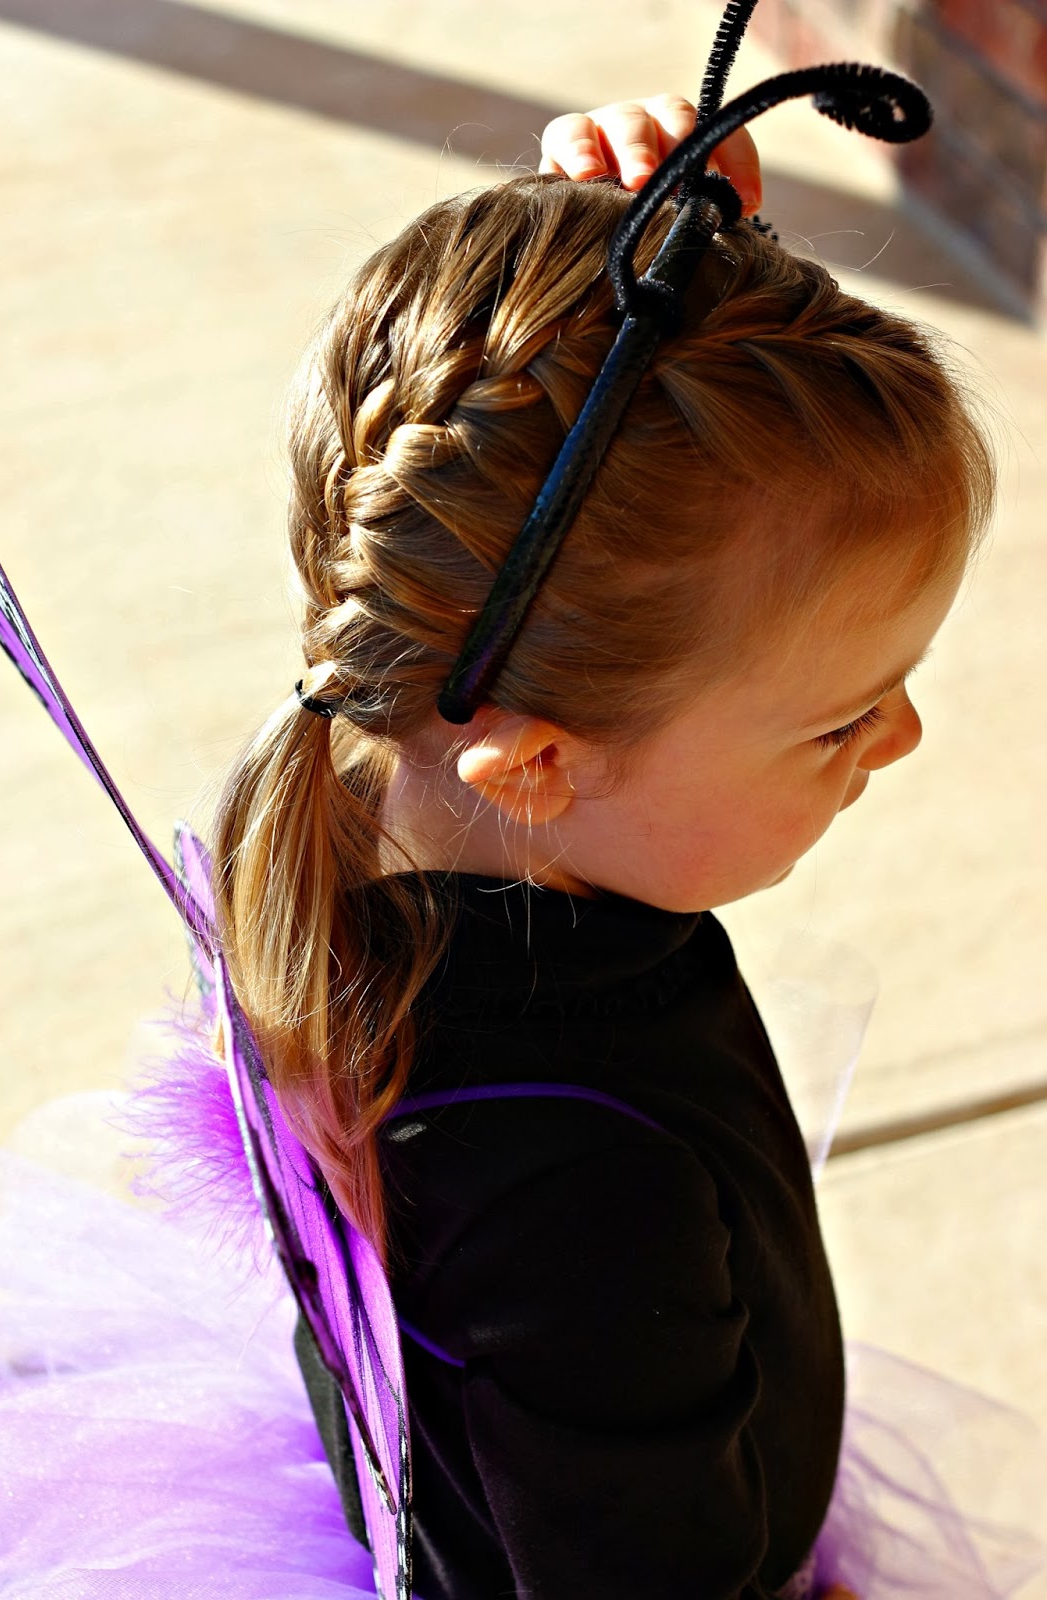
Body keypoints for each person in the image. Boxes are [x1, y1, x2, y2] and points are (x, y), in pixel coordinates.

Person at [206, 95, 997, 1600]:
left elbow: (543, 485)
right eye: (841, 718)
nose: (901, 740)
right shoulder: (567, 1197)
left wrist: (641, 298)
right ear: (540, 764)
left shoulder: (398, 830)